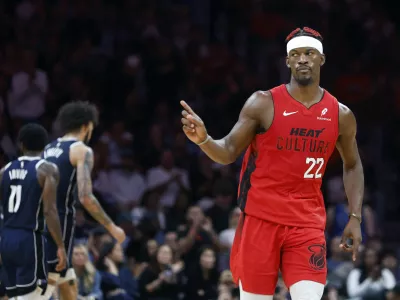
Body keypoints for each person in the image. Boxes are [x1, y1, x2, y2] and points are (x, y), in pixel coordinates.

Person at [180, 27, 364, 300]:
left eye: (309, 53)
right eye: (296, 54)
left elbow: (352, 165)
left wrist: (355, 217)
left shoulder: (340, 114)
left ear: (321, 59)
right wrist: (204, 139)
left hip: (306, 223)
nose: (303, 59)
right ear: (287, 61)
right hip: (260, 219)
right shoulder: (262, 103)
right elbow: (229, 151)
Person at [42, 101, 126, 300]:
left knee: (64, 282)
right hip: (60, 222)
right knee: (47, 288)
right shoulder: (81, 150)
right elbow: (85, 197)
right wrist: (112, 227)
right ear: (87, 126)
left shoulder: (47, 149)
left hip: (39, 220)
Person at [0, 123, 67, 299]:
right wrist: (60, 245)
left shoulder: (4, 171)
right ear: (45, 146)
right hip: (29, 238)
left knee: (13, 295)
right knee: (32, 294)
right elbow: (50, 211)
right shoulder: (47, 169)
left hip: (6, 238)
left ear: (21, 144)